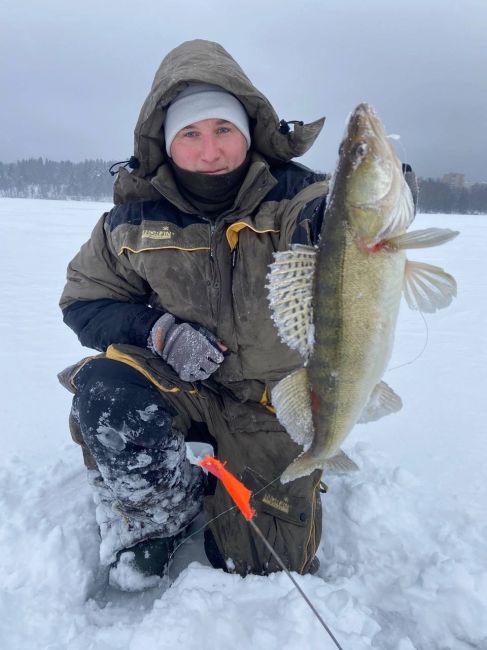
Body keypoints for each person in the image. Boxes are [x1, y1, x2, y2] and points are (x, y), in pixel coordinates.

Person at [59, 39, 416, 590]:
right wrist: (156, 331)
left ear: (249, 131)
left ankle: (265, 470)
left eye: (223, 130)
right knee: (109, 391)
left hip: (272, 403)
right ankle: (157, 512)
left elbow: (323, 221)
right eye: (191, 134)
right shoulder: (130, 220)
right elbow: (85, 301)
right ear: (166, 140)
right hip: (183, 386)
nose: (210, 151)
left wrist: (364, 212)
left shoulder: (298, 197)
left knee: (265, 567)